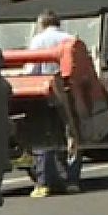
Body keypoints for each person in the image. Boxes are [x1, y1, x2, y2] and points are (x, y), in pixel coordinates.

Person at [27, 11, 81, 197]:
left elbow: (32, 69)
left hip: (44, 92)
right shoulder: (70, 38)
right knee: (69, 135)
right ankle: (71, 181)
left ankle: (44, 183)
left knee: (44, 137)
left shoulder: (38, 40)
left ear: (42, 23)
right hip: (68, 92)